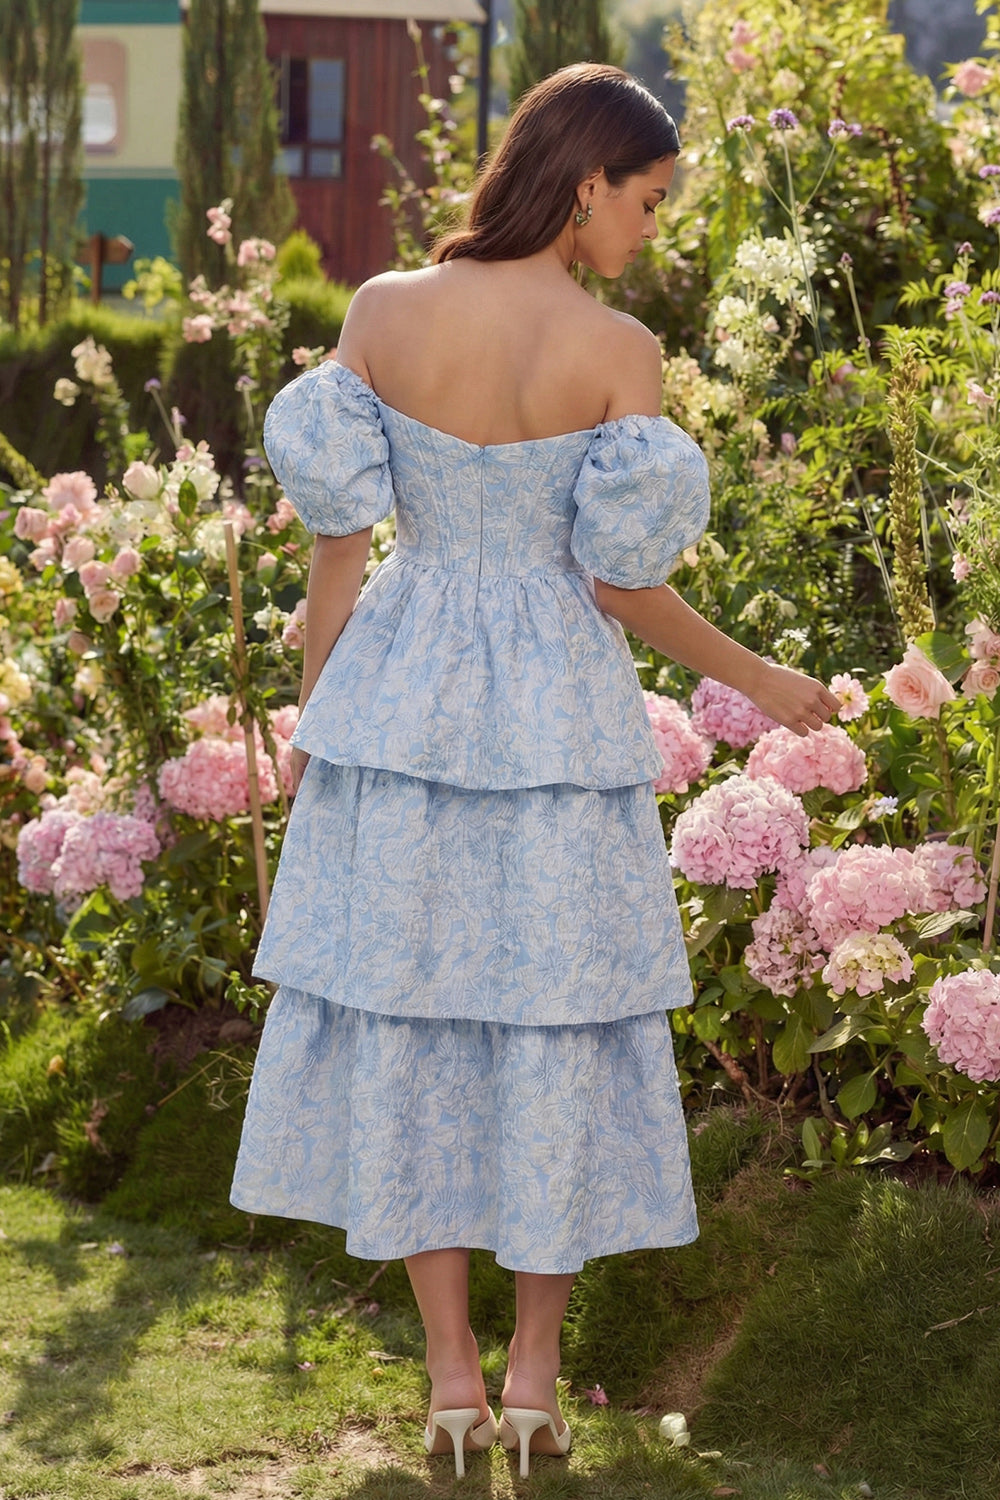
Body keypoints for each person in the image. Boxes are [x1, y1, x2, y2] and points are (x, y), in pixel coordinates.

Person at [230, 62, 839, 1479]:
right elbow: (620, 585)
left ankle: (449, 1376)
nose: (652, 228)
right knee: (553, 1024)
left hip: (401, 707)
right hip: (555, 717)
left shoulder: (384, 314)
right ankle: (533, 1381)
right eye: (648, 200)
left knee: (416, 1022)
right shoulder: (618, 349)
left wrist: (321, 727)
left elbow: (338, 554)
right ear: (584, 183)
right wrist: (761, 678)